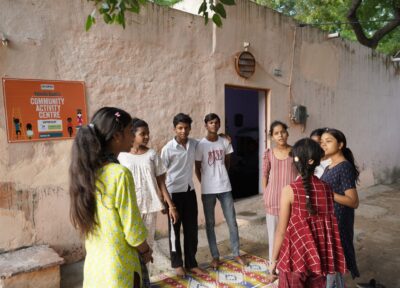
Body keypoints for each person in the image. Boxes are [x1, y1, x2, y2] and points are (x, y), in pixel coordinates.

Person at [69, 107, 152, 288]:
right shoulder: (119, 174)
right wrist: (146, 250)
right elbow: (133, 231)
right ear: (116, 136)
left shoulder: (87, 173)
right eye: (130, 131)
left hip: (95, 269)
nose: (133, 136)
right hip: (120, 269)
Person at [267, 138, 346, 287]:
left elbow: (281, 231)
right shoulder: (327, 189)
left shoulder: (289, 190)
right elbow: (327, 227)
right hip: (318, 260)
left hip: (295, 258)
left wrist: (274, 260)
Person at [118, 118, 178, 287]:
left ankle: (144, 281)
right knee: (130, 247)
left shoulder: (152, 155)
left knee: (147, 248)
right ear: (133, 134)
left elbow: (161, 182)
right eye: (142, 134)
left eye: (147, 133)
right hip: (130, 209)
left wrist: (170, 204)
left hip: (150, 206)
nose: (146, 137)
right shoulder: (122, 156)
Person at [195, 113, 247, 270]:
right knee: (210, 224)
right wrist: (204, 182)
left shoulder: (225, 142)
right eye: (211, 122)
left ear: (219, 125)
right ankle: (215, 256)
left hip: (225, 187)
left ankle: (236, 252)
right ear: (206, 125)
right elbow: (197, 167)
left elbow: (227, 162)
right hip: (208, 189)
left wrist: (221, 176)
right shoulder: (201, 145)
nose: (214, 125)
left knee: (232, 221)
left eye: (216, 123)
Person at [160, 113, 207, 277]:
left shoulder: (194, 144)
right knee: (174, 230)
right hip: (173, 194)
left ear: (190, 128)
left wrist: (223, 138)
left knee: (191, 230)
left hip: (189, 191)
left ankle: (191, 263)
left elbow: (208, 142)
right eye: (180, 128)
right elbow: (160, 176)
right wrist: (164, 202)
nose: (183, 131)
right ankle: (177, 264)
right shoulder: (167, 149)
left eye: (186, 128)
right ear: (174, 129)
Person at [320, 128, 360, 286]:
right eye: (322, 142)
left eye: (328, 141)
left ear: (340, 144)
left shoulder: (344, 167)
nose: (324, 145)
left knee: (334, 265)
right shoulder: (330, 166)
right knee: (332, 267)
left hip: (338, 222)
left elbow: (353, 201)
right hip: (329, 220)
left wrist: (327, 194)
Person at [262, 121, 298, 261]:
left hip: (292, 200)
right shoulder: (269, 153)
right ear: (272, 137)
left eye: (282, 132)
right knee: (274, 236)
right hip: (273, 199)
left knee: (291, 235)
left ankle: (288, 267)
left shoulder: (295, 151)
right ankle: (273, 267)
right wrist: (265, 194)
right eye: (276, 133)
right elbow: (265, 175)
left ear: (287, 133)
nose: (280, 135)